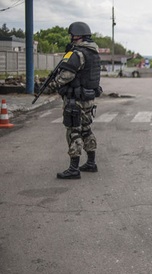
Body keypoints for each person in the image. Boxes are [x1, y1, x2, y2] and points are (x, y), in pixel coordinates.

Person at [49, 21, 101, 179]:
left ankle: (73, 168)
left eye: (72, 35)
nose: (70, 37)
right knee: (86, 129)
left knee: (74, 132)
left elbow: (67, 75)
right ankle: (91, 163)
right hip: (88, 98)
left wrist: (52, 84)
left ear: (77, 35)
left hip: (75, 100)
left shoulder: (77, 53)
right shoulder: (93, 52)